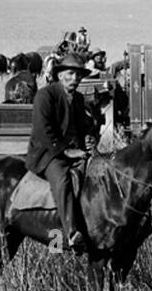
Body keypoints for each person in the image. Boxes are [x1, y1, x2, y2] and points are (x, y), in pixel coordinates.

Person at [25, 53, 99, 252]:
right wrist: (67, 151)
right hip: (48, 154)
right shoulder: (45, 96)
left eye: (78, 75)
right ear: (59, 75)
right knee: (62, 180)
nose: (74, 79)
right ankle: (70, 233)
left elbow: (81, 129)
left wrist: (89, 141)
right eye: (70, 74)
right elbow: (43, 131)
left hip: (73, 151)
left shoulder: (78, 99)